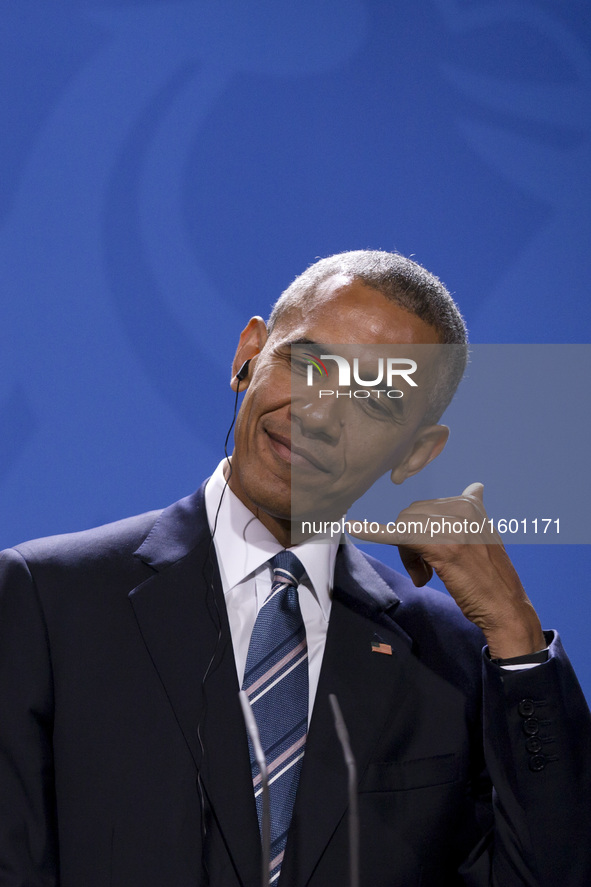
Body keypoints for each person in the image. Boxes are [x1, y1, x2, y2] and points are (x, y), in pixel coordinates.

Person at [0, 250, 589, 887]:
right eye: (308, 363)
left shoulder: (450, 657)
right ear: (248, 353)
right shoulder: (48, 600)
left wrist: (516, 637)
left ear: (416, 453)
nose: (319, 416)